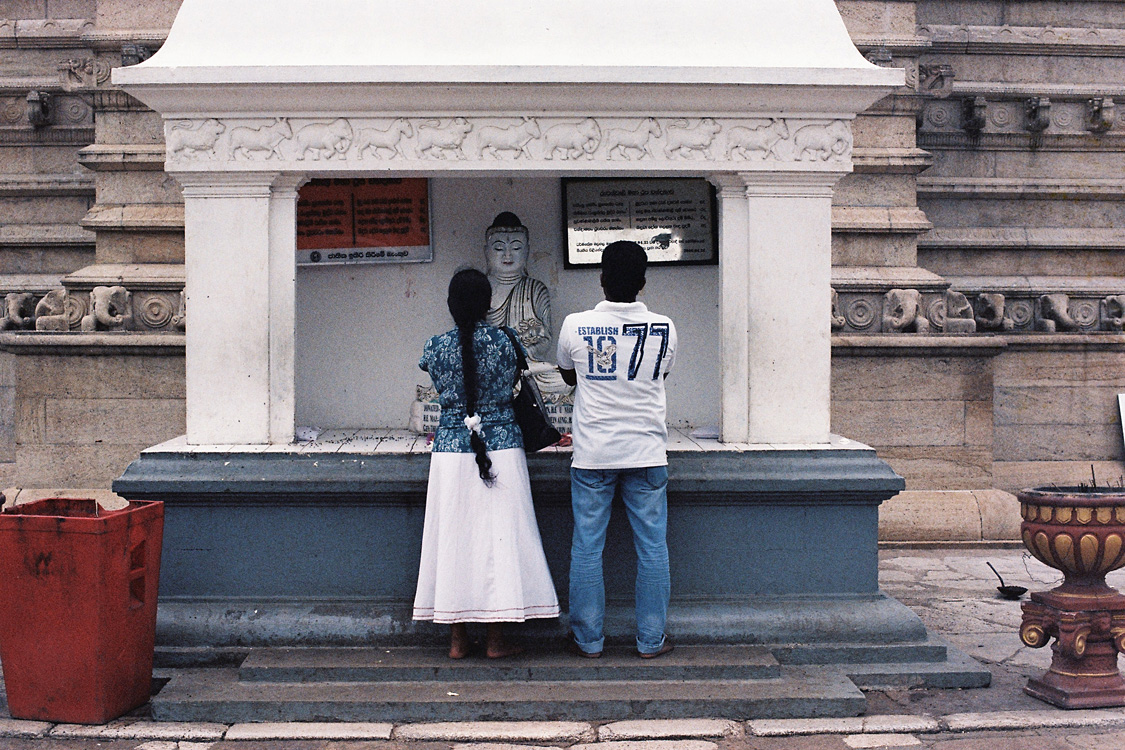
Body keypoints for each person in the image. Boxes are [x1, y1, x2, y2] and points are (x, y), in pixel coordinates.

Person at [413, 268, 559, 659]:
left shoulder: (434, 347)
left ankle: (458, 639)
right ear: (488, 305)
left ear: (450, 304)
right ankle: (496, 639)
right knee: (500, 543)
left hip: (449, 452)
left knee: (453, 541)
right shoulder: (506, 341)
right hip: (503, 449)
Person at [556, 241, 678, 659]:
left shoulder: (575, 325)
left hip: (593, 455)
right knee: (653, 548)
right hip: (646, 453)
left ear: (602, 277)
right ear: (643, 282)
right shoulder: (665, 327)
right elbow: (662, 372)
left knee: (588, 547)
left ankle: (588, 640)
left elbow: (568, 376)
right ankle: (651, 640)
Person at [483, 212, 571, 396]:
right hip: (488, 367)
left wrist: (528, 343)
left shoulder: (535, 289)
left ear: (527, 251)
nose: (508, 255)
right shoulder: (479, 288)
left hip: (528, 368)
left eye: (516, 248)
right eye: (499, 248)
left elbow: (545, 339)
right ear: (486, 251)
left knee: (564, 382)